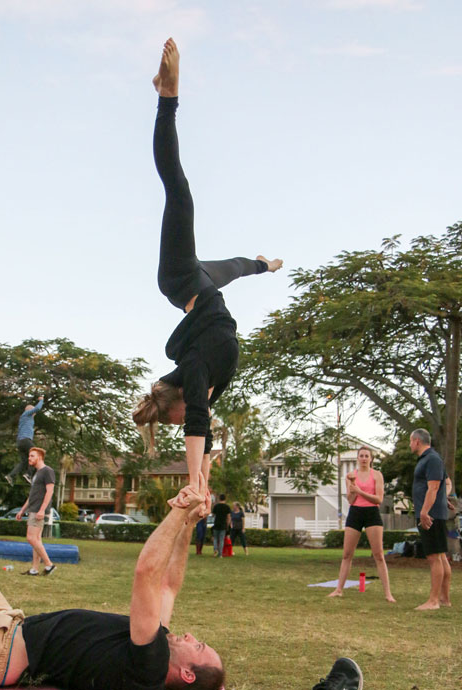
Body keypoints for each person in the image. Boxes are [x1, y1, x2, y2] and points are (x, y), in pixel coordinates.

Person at [0, 476, 225, 690]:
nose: (192, 637)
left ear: (187, 675)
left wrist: (177, 511)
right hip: (5, 625)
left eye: (199, 647)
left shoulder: (149, 664)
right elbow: (167, 585)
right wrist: (188, 522)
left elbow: (147, 573)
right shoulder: (154, 645)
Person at [132, 38, 282, 493]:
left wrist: (195, 481)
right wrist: (204, 480)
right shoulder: (200, 381)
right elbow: (204, 424)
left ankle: (167, 98)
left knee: (178, 190)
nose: (182, 422)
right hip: (205, 286)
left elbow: (195, 422)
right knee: (237, 267)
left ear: (174, 405)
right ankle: (263, 264)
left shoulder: (194, 372)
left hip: (179, 277)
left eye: (174, 420)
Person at [328, 446, 395, 603]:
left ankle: (388, 594)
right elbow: (351, 500)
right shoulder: (351, 475)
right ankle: (339, 590)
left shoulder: (377, 475)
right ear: (357, 458)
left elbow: (378, 499)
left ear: (371, 459)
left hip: (372, 513)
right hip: (355, 513)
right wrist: (352, 490)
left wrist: (360, 491)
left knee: (378, 555)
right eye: (361, 456)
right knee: (347, 554)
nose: (364, 458)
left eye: (367, 456)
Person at [409, 428, 451, 610]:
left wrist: (425, 512)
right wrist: (444, 498)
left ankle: (433, 601)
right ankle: (444, 599)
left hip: (430, 515)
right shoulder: (429, 459)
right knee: (441, 556)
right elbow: (444, 484)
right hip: (434, 511)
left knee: (434, 557)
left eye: (410, 441)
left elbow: (433, 488)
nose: (410, 445)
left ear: (417, 441)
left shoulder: (432, 459)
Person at [16, 447, 57, 576]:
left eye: (32, 456)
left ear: (39, 457)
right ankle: (34, 569)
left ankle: (49, 565)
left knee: (31, 538)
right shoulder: (36, 473)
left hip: (39, 510)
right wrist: (22, 510)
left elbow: (50, 492)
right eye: (29, 456)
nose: (29, 458)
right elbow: (32, 495)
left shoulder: (47, 471)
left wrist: (42, 510)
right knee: (36, 540)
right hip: (33, 508)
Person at [5, 396, 44, 486]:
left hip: (20, 442)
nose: (34, 414)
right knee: (36, 454)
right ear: (30, 410)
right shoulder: (26, 414)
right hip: (25, 440)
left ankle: (11, 475)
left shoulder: (25, 419)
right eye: (33, 412)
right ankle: (28, 474)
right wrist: (41, 400)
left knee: (24, 461)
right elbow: (37, 408)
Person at [211, 493, 231, 558]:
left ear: (219, 498)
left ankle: (215, 549)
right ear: (225, 499)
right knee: (221, 540)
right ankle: (220, 554)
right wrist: (227, 525)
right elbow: (228, 517)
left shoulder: (216, 506)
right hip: (223, 525)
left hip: (216, 524)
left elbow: (213, 515)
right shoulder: (227, 507)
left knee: (215, 538)